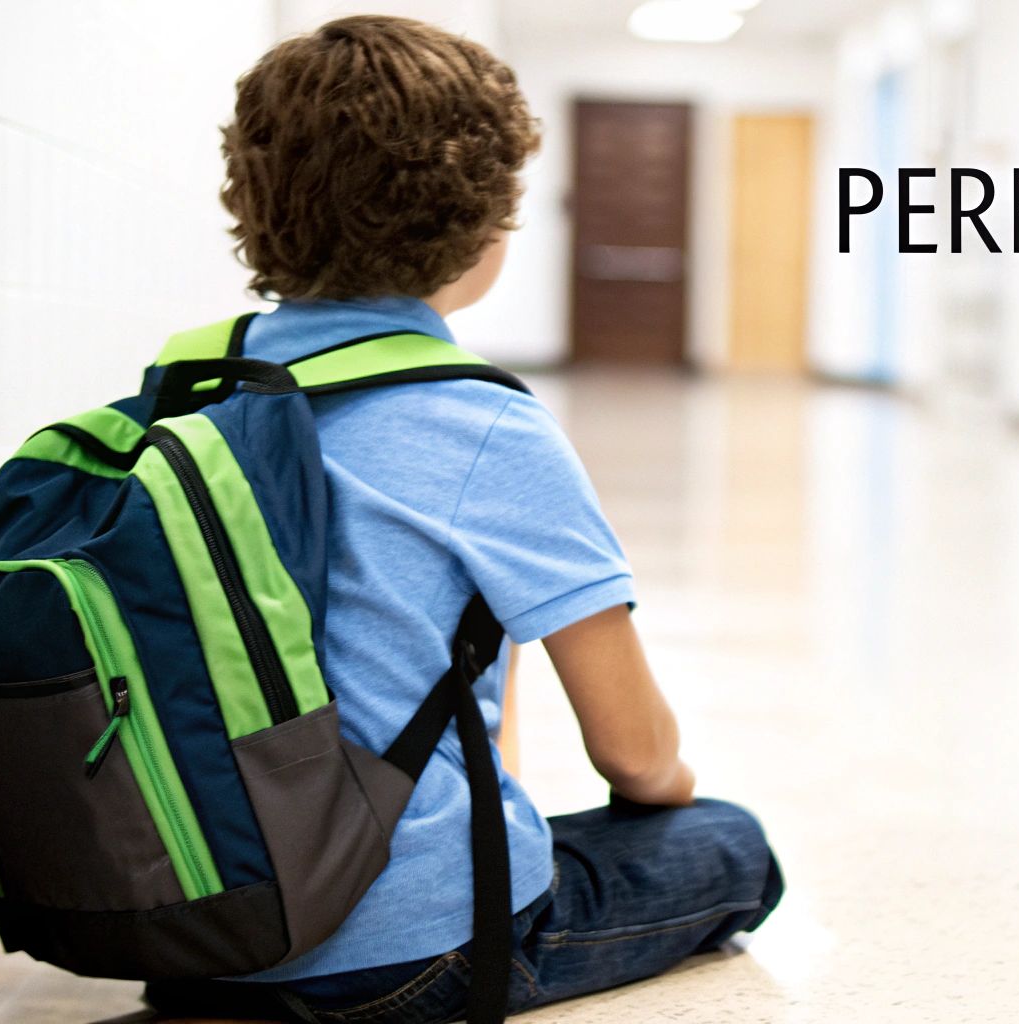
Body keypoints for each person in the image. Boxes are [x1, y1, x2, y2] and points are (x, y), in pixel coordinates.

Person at [145, 15, 782, 1024]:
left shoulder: (189, 393)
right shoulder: (480, 421)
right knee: (729, 842)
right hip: (413, 956)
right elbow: (632, 751)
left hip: (191, 932)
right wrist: (672, 784)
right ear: (482, 224)